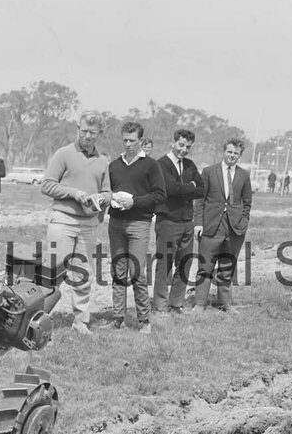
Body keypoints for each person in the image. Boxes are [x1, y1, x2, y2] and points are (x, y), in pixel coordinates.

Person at [40, 111, 113, 335]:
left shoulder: (103, 161)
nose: (87, 136)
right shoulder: (64, 154)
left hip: (88, 225)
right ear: (77, 129)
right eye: (83, 131)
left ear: (100, 133)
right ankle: (37, 318)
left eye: (92, 132)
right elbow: (47, 185)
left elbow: (108, 192)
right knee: (52, 271)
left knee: (83, 274)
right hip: (62, 221)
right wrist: (74, 193)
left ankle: (80, 321)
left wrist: (102, 198)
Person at [107, 122, 166, 333]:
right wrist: (110, 200)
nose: (128, 144)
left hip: (139, 223)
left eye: (132, 140)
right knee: (118, 271)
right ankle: (118, 318)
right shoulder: (114, 165)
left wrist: (135, 202)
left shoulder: (151, 165)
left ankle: (144, 321)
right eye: (125, 140)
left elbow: (160, 195)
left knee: (137, 272)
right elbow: (107, 191)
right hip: (115, 223)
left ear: (141, 140)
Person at [190, 137, 252, 314]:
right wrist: (198, 224)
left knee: (227, 268)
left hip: (233, 230)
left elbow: (247, 203)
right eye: (230, 152)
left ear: (240, 155)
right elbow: (200, 200)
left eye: (236, 153)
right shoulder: (209, 172)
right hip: (210, 227)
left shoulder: (243, 175)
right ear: (224, 152)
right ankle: (200, 304)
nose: (232, 155)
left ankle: (226, 303)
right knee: (205, 267)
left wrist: (243, 222)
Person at [152, 129, 205, 314]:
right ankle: (159, 305)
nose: (184, 150)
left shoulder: (190, 165)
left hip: (187, 222)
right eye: (181, 145)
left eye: (188, 147)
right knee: (164, 264)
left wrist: (188, 187)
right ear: (172, 143)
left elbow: (201, 189)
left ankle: (176, 304)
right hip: (167, 221)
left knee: (184, 263)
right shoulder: (160, 164)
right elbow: (170, 189)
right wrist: (190, 186)